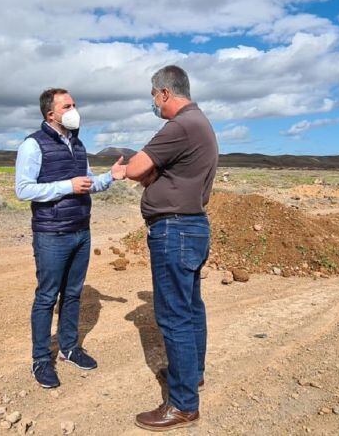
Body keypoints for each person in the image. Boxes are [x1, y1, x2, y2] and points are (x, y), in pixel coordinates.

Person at [124, 65, 218, 431]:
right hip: (191, 227)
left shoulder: (179, 126)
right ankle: (190, 376)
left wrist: (137, 172)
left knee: (175, 316)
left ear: (165, 92)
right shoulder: (200, 123)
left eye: (153, 94)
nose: (153, 101)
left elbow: (136, 168)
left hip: (174, 230)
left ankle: (182, 405)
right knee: (191, 309)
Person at [15, 88, 127, 389]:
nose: (74, 109)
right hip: (52, 233)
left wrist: (110, 178)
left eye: (74, 104)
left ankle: (68, 348)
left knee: (73, 294)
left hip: (81, 230)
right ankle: (41, 360)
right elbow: (23, 189)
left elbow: (86, 184)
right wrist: (67, 185)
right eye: (67, 105)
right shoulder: (32, 145)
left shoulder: (78, 144)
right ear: (50, 114)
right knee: (46, 297)